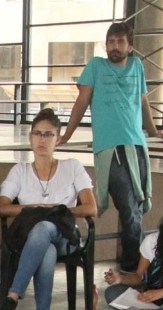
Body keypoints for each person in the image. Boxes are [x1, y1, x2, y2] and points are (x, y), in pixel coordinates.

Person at [0, 106, 97, 310]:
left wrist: (56, 211)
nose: (42, 139)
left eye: (48, 134)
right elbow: (1, 208)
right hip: (33, 239)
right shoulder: (20, 171)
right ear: (30, 137)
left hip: (66, 236)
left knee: (45, 229)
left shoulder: (72, 166)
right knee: (44, 245)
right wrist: (36, 209)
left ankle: (11, 299)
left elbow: (90, 208)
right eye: (37, 133)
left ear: (57, 139)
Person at [62, 22, 155, 270]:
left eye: (120, 41)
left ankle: (134, 268)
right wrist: (67, 134)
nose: (114, 46)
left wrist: (154, 130)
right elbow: (82, 102)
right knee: (130, 210)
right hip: (110, 149)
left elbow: (143, 101)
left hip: (136, 146)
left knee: (137, 207)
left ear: (130, 45)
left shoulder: (137, 66)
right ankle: (133, 268)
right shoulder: (96, 66)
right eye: (111, 41)